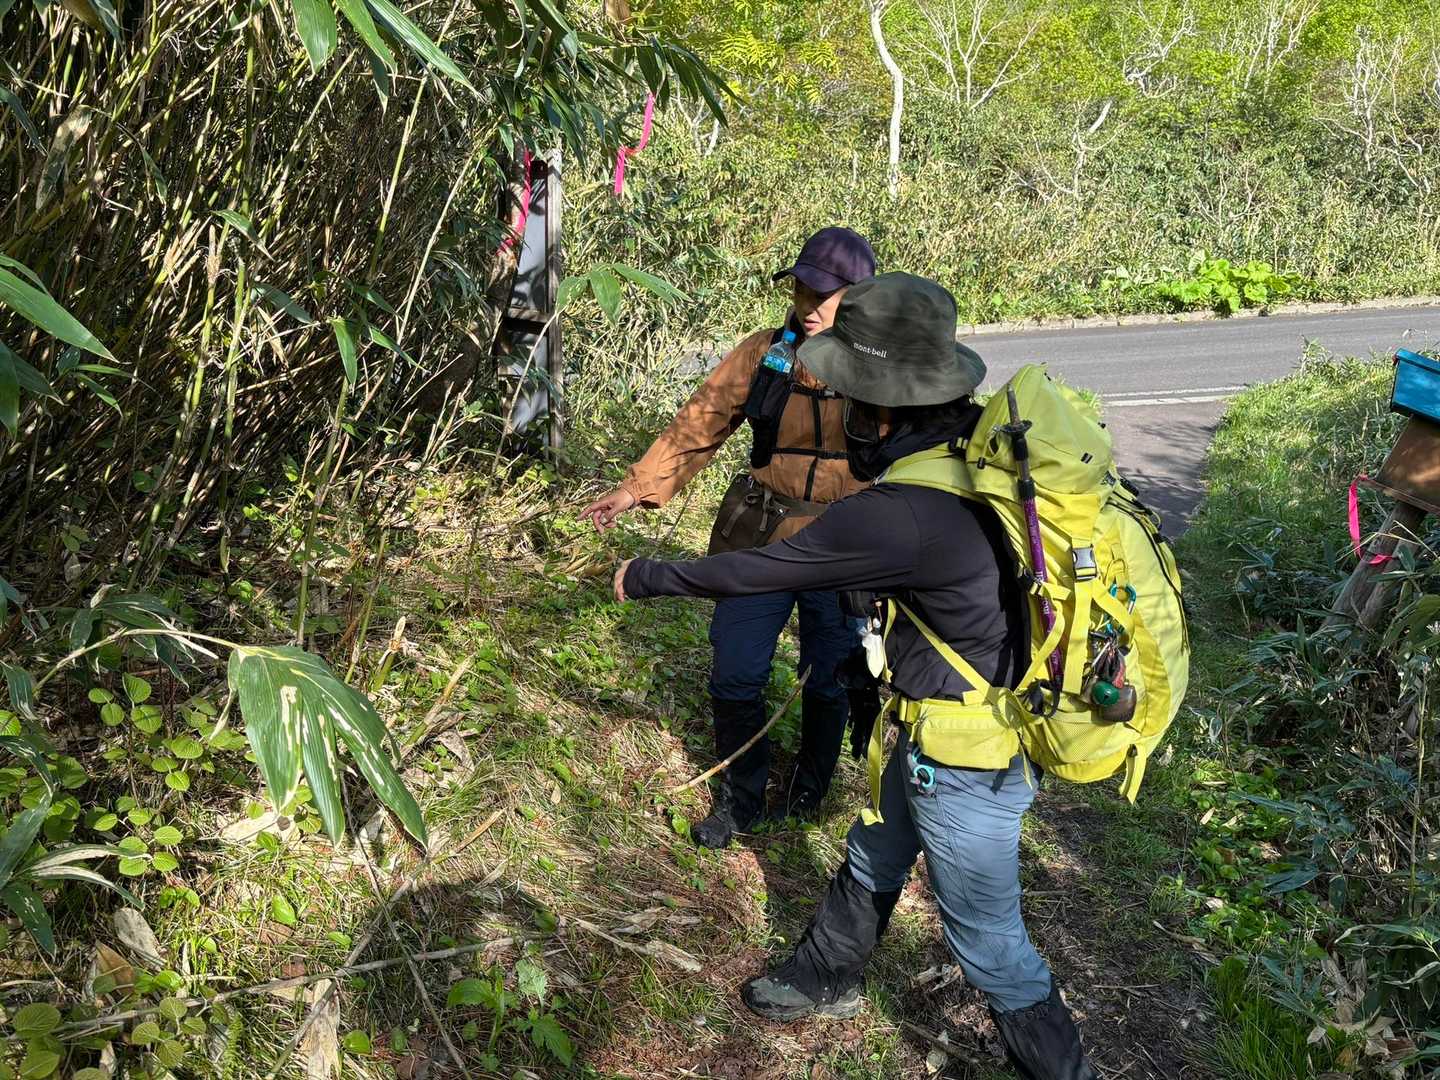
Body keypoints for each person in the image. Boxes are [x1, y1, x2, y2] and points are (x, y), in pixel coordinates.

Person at [611, 273, 1097, 1079]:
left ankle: (1066, 1071)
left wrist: (651, 575)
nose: (847, 419)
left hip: (967, 756)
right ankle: (820, 976)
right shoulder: (972, 453)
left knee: (990, 943)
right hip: (941, 725)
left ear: (882, 411)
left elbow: (763, 569)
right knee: (876, 849)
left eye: (853, 404)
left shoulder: (901, 512)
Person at [581, 227, 878, 848]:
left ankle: (808, 792)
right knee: (736, 672)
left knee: (831, 676)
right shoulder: (767, 354)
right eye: (802, 290)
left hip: (845, 545)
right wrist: (635, 489)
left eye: (826, 295)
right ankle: (741, 797)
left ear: (860, 297)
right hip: (763, 535)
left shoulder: (881, 368)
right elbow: (701, 421)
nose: (810, 305)